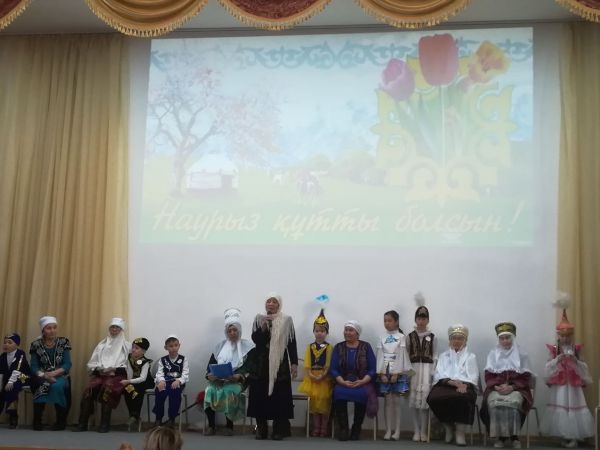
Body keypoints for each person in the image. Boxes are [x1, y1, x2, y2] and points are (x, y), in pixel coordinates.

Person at [540, 294, 594, 448]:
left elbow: (584, 367)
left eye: (568, 335)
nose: (566, 338)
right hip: (561, 386)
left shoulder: (576, 349)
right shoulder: (554, 349)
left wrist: (576, 361)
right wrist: (557, 360)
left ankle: (574, 436)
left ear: (572, 335)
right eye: (562, 336)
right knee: (561, 406)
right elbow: (547, 368)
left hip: (573, 386)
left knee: (574, 407)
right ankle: (564, 435)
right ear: (558, 335)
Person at [247, 293, 298, 440]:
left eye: (274, 301)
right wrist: (264, 326)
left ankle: (279, 429)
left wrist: (294, 363)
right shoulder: (259, 319)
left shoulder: (286, 320)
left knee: (279, 396)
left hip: (279, 363)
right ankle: (261, 428)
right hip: (261, 364)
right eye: (268, 301)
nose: (270, 304)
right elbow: (256, 340)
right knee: (259, 394)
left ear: (279, 304)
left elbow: (291, 342)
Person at [480, 322, 533, 449]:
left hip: (517, 389)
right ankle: (500, 437)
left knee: (514, 403)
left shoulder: (522, 354)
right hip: (496, 388)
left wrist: (512, 387)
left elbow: (526, 377)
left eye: (507, 338)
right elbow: (488, 376)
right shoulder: (493, 354)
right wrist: (496, 387)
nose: (505, 341)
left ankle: (514, 437)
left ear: (513, 338)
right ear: (498, 340)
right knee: (495, 403)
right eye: (502, 338)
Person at [203, 308, 254, 436]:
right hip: (219, 380)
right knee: (209, 390)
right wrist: (209, 376)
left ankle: (229, 426)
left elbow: (250, 367)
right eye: (229, 331)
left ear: (239, 330)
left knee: (229, 391)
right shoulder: (219, 347)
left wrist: (239, 376)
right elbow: (210, 367)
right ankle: (211, 426)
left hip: (237, 381)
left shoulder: (248, 347)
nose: (232, 333)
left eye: (234, 330)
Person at [76, 317, 130, 432]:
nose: (114, 329)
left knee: (107, 388)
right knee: (88, 390)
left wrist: (114, 369)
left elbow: (129, 366)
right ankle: (82, 423)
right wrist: (99, 369)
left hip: (118, 376)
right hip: (101, 375)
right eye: (112, 327)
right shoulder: (101, 345)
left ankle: (104, 424)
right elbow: (92, 364)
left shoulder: (127, 346)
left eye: (117, 327)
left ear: (121, 330)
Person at [427, 324, 478, 446]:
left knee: (463, 398)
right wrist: (452, 382)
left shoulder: (471, 357)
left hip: (464, 385)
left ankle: (460, 432)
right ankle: (448, 427)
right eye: (454, 338)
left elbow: (473, 376)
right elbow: (438, 374)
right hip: (446, 384)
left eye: (460, 338)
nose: (456, 341)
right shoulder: (443, 356)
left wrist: (465, 385)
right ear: (450, 340)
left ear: (465, 340)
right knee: (433, 398)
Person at [330, 320, 377, 441]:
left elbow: (372, 369)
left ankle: (356, 429)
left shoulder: (366, 347)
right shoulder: (338, 347)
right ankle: (343, 429)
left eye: (351, 330)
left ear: (357, 333)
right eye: (346, 330)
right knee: (338, 393)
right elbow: (333, 369)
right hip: (343, 382)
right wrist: (342, 381)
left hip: (362, 383)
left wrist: (362, 381)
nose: (347, 332)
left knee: (362, 394)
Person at [29, 316, 72, 431]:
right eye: (49, 328)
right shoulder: (35, 345)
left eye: (54, 327)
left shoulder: (64, 342)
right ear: (43, 330)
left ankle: (61, 422)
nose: (52, 330)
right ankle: (37, 421)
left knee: (57, 386)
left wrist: (52, 374)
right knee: (42, 384)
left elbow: (67, 364)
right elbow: (34, 366)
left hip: (61, 375)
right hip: (42, 376)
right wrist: (45, 375)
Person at [376, 310, 413, 440]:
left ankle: (397, 431)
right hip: (385, 371)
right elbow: (380, 355)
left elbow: (402, 355)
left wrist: (396, 373)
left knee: (396, 401)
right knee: (387, 402)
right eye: (385, 321)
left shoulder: (401, 337)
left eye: (389, 320)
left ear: (396, 322)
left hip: (398, 372)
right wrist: (381, 373)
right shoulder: (381, 337)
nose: (387, 323)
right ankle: (388, 430)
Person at [298, 308, 334, 437]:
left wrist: (323, 375)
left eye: (322, 331)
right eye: (317, 331)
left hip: (324, 379)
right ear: (313, 332)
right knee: (314, 405)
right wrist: (311, 374)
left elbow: (328, 363)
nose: (320, 333)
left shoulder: (329, 347)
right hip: (312, 378)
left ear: (326, 332)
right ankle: (315, 427)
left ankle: (324, 428)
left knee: (323, 405)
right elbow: (307, 363)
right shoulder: (310, 347)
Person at [407, 293, 437, 442]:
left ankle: (424, 431)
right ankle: (416, 430)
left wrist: (433, 372)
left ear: (428, 320)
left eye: (424, 319)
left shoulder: (433, 337)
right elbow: (406, 354)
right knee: (414, 402)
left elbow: (435, 355)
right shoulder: (410, 336)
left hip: (426, 370)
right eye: (419, 318)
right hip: (414, 370)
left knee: (424, 403)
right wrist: (407, 371)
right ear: (415, 320)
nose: (421, 321)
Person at [154, 334, 189, 427]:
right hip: (165, 382)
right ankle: (158, 418)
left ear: (179, 345)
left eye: (176, 345)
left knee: (175, 392)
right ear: (166, 347)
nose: (174, 348)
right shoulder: (162, 360)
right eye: (171, 346)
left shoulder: (183, 359)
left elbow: (185, 374)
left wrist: (179, 381)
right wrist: (161, 381)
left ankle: (172, 418)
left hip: (177, 383)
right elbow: (159, 373)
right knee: (159, 391)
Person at [121, 337, 154, 430]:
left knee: (138, 389)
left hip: (145, 382)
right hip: (132, 381)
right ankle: (133, 415)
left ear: (143, 351)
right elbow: (129, 372)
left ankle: (135, 415)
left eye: (137, 348)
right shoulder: (129, 358)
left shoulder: (145, 362)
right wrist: (128, 382)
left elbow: (143, 378)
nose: (133, 350)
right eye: (133, 347)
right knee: (127, 390)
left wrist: (129, 381)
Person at [0, 333, 30, 429]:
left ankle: (13, 416)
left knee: (12, 388)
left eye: (9, 342)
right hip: (9, 377)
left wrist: (10, 382)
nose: (6, 345)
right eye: (5, 342)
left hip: (23, 376)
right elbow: (1, 372)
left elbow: (18, 368)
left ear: (17, 344)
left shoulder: (20, 354)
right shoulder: (3, 356)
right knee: (1, 391)